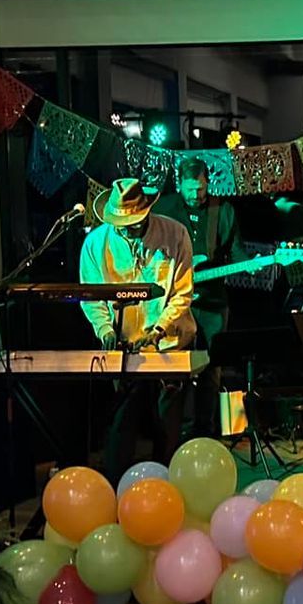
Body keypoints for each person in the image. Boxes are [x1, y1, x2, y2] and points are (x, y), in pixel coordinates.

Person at [78, 178, 198, 477]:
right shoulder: (96, 243)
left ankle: (167, 490)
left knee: (167, 432)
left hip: (168, 344)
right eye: (121, 224)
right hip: (122, 348)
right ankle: (120, 492)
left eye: (132, 223)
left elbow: (182, 294)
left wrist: (158, 330)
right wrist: (105, 330)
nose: (126, 229)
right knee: (121, 427)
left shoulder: (175, 234)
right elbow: (91, 296)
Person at [154, 156, 241, 433]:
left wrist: (253, 264)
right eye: (190, 189)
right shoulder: (164, 209)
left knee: (210, 368)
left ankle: (204, 431)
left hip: (212, 301)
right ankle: (169, 433)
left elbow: (236, 251)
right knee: (172, 367)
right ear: (179, 184)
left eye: (201, 189)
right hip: (174, 302)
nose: (196, 195)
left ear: (208, 184)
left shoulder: (223, 211)